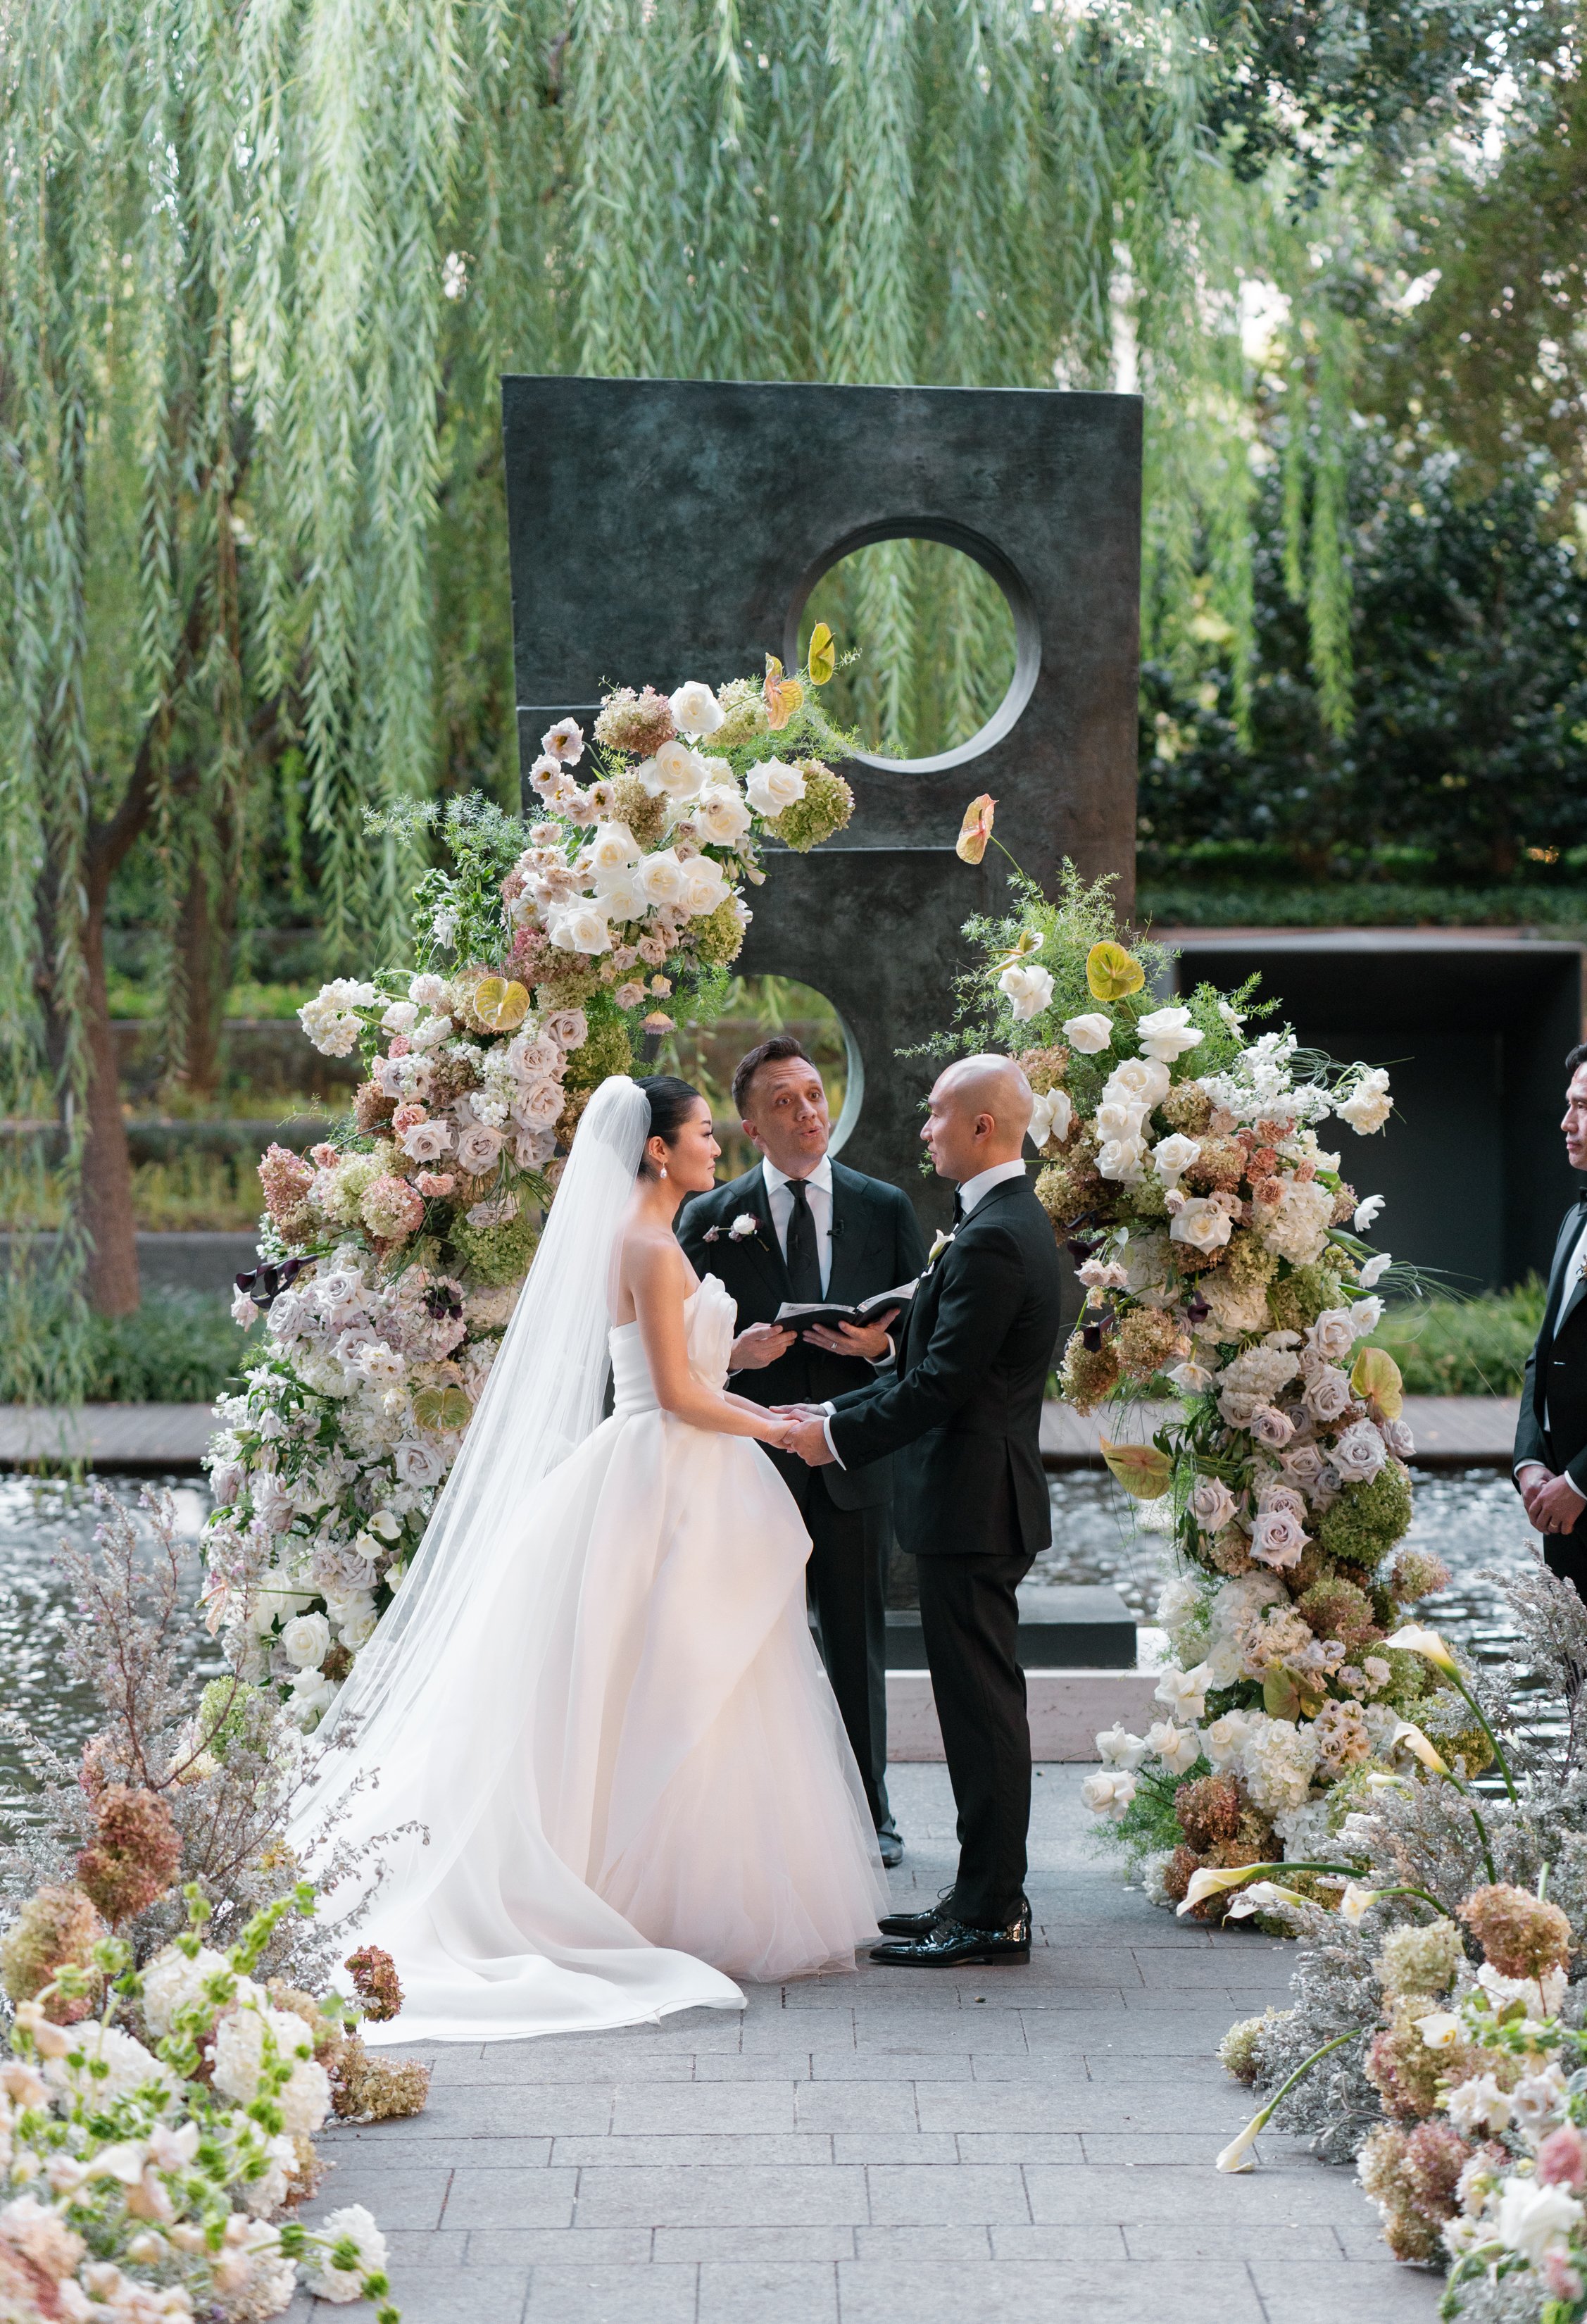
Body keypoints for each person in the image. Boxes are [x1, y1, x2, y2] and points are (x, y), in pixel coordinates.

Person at [290, 1075, 886, 2044]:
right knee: (662, 1676)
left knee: (689, 1678)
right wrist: (777, 1429)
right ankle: (630, 1890)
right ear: (656, 1150)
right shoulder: (647, 1247)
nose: (711, 1149)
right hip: (664, 1477)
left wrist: (745, 1370)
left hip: (689, 1470)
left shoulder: (655, 1244)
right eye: (699, 1135)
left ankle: (670, 1882)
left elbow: (690, 1375)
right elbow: (671, 1398)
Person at [782, 1054, 1064, 1968]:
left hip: (972, 1505)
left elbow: (943, 1386)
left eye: (937, 1115)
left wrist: (835, 1436)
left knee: (981, 1714)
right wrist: (847, 1396)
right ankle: (979, 1895)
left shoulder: (990, 1236)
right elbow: (935, 1367)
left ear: (982, 1127)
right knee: (977, 1707)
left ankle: (991, 1913)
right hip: (979, 1500)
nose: (923, 1129)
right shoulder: (1001, 1221)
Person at [677, 1036, 927, 1866]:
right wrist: (735, 1358)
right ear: (750, 1126)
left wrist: (878, 1353)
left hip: (853, 1453)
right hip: (749, 1463)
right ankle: (754, 1817)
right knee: (750, 1638)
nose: (806, 1113)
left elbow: (922, 1340)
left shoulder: (884, 1204)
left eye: (814, 1095)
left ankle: (870, 1814)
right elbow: (674, 1350)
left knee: (856, 1641)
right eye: (783, 1102)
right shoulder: (709, 1218)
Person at [1514, 1042, 1587, 1585]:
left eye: (1583, 1107)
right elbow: (1544, 1354)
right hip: (1559, 1513)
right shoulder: (1573, 1220)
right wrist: (1529, 1462)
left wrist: (1581, 1483)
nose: (1567, 1123)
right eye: (1569, 1104)